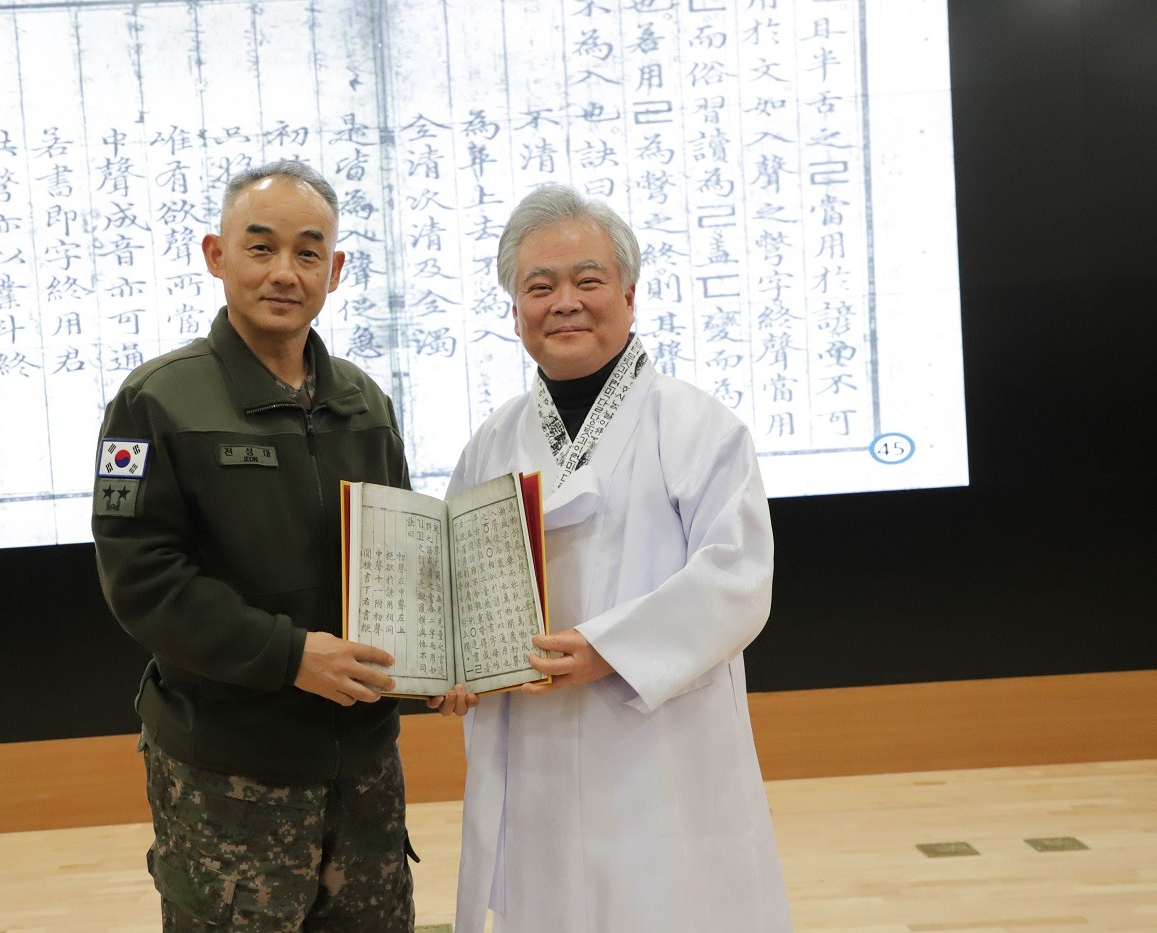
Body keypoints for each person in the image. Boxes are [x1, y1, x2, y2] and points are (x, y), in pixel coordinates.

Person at [442, 185, 792, 931]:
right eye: (540, 286)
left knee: (672, 902)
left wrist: (609, 648)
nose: (564, 302)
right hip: (533, 740)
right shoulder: (491, 444)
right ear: (515, 311)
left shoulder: (698, 426)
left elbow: (737, 577)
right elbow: (457, 583)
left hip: (660, 736)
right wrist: (449, 661)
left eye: (588, 280)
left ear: (629, 296)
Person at [92, 160, 415, 930]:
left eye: (308, 252)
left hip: (365, 776)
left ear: (336, 270)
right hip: (229, 781)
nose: (284, 272)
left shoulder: (365, 403)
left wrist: (442, 665)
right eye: (260, 247)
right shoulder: (153, 401)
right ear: (217, 254)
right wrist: (289, 654)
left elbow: (404, 563)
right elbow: (143, 578)